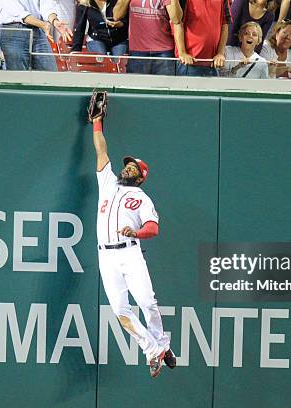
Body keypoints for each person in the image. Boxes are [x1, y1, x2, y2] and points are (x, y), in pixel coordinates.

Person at [89, 95, 175, 378]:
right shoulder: (108, 183)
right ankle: (156, 349)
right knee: (120, 311)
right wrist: (97, 123)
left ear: (140, 177)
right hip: (106, 255)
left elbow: (153, 228)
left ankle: (158, 348)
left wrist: (135, 232)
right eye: (127, 165)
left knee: (147, 303)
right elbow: (102, 153)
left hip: (129, 251)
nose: (127, 168)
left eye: (133, 168)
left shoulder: (141, 197)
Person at [0, 0, 69, 71]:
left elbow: (47, 3)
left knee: (50, 75)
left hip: (38, 29)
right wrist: (43, 24)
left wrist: (54, 21)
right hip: (14, 30)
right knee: (19, 79)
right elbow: (16, 11)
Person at [112, 0, 178, 75]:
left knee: (164, 86)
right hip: (138, 51)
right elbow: (116, 16)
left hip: (163, 52)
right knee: (136, 86)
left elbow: (176, 19)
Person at [172, 0, 231, 76]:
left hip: (213, 64)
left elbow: (225, 24)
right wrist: (182, 53)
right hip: (189, 63)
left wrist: (220, 53)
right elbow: (178, 23)